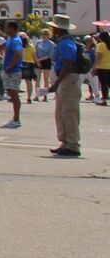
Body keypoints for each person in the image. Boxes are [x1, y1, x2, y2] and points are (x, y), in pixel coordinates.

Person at [48, 15, 85, 158]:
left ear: (58, 29)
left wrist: (56, 83)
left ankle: (73, 144)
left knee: (69, 112)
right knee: (61, 112)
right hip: (65, 80)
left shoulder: (66, 43)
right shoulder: (64, 42)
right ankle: (65, 142)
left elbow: (68, 65)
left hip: (68, 80)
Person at [0, 20, 27, 129]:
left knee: (14, 95)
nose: (5, 29)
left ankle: (16, 119)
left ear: (12, 29)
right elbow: (0, 47)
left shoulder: (15, 40)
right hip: (9, 71)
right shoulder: (9, 39)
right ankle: (15, 118)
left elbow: (18, 53)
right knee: (11, 94)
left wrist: (11, 65)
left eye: (7, 27)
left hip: (14, 71)